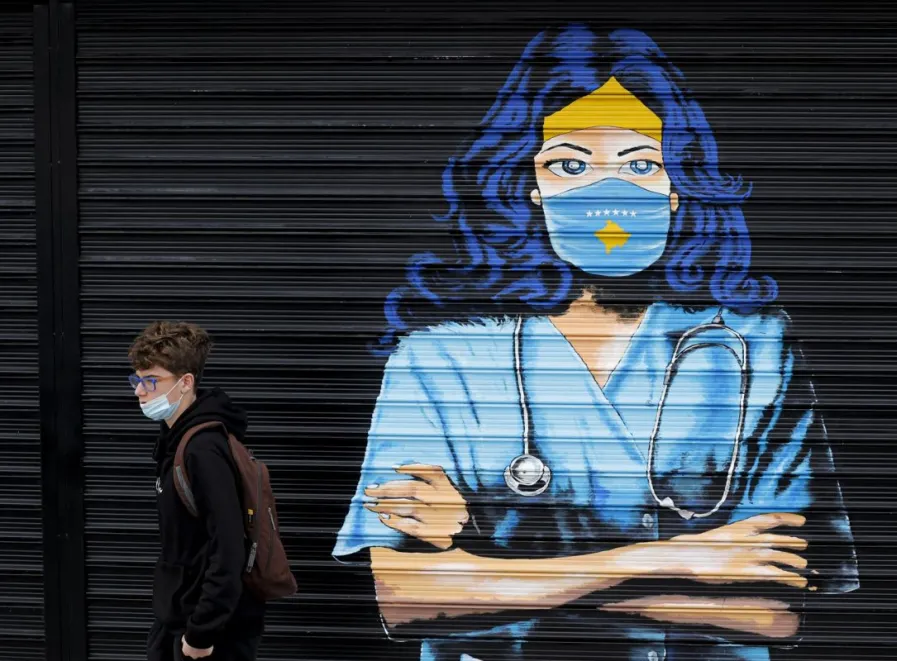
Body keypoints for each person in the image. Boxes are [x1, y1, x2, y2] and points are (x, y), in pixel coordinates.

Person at [334, 24, 859, 661]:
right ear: (528, 189)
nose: (606, 198)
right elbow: (408, 600)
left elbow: (773, 614)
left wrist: (493, 571)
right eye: (569, 165)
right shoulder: (439, 359)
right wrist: (681, 559)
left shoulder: (756, 351)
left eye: (640, 163)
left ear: (676, 189)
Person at [130, 321, 265, 661]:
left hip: (206, 634)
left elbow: (229, 548)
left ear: (185, 382)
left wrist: (201, 633)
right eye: (137, 380)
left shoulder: (202, 450)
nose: (139, 391)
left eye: (151, 381)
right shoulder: (177, 441)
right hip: (179, 618)